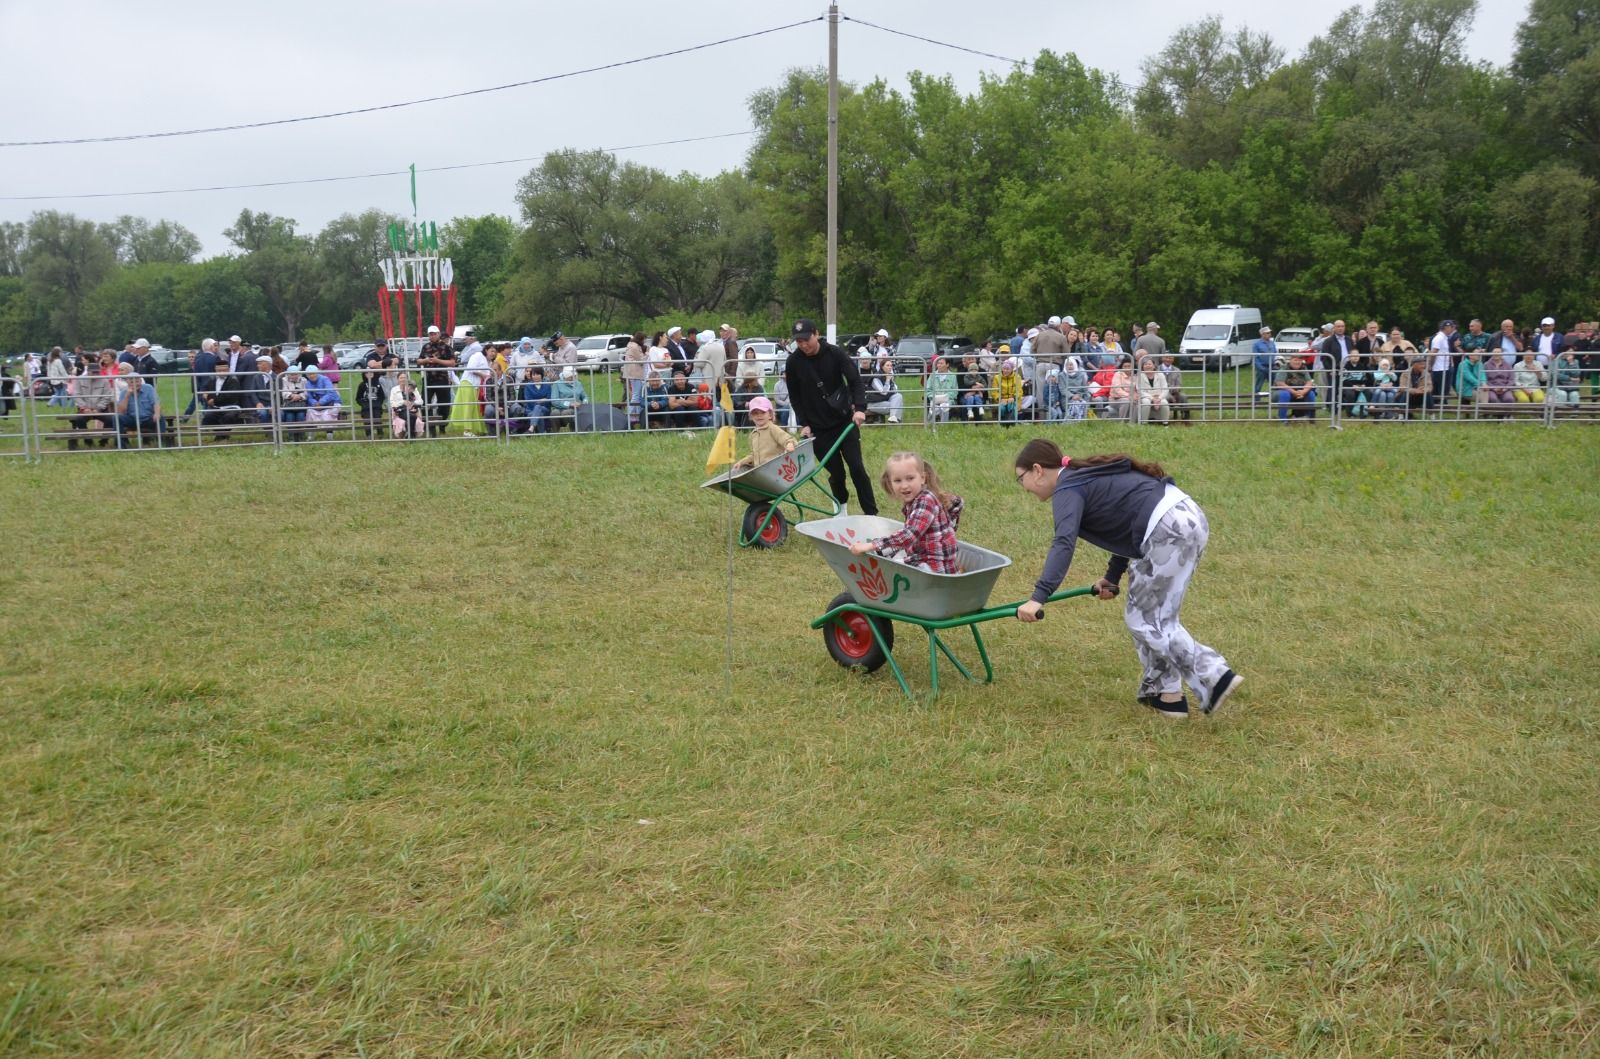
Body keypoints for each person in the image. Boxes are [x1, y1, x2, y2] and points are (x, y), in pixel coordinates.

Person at [1012, 438, 1241, 719]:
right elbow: (1124, 525)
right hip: (1186, 518)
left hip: (1167, 529)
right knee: (1154, 616)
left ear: (1037, 470)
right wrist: (1112, 577)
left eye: (1020, 478)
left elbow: (1063, 542)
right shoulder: (1081, 478)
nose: (1023, 487)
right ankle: (1168, 697)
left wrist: (1038, 598)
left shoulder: (1068, 488)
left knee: (1145, 619)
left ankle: (1214, 675)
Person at [784, 319, 877, 516]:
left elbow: (855, 381)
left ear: (816, 334)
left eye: (806, 339)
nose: (803, 345)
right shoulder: (793, 362)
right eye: (798, 341)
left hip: (844, 422)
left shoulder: (835, 354)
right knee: (836, 473)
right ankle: (841, 509)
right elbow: (795, 397)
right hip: (818, 429)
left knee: (857, 468)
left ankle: (871, 514)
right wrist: (805, 423)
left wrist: (859, 408)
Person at [847, 452, 964, 574]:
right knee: (887, 555)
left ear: (923, 478)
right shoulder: (918, 500)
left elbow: (909, 535)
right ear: (890, 483)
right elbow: (956, 504)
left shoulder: (925, 501)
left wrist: (871, 545)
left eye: (910, 478)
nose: (904, 485)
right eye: (897, 480)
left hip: (932, 567)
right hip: (925, 559)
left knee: (886, 570)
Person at [67, 350, 117, 449]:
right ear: (88, 372)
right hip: (84, 409)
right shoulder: (80, 380)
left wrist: (98, 408)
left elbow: (107, 396)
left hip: (101, 409)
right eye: (93, 372)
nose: (95, 374)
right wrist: (84, 408)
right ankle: (88, 440)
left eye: (96, 372)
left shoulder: (104, 380)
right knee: (79, 420)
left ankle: (104, 440)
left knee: (111, 420)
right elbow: (76, 395)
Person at [732, 395, 795, 470]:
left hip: (777, 469)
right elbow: (754, 455)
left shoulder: (773, 428)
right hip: (762, 471)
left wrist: (790, 444)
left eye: (763, 412)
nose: (759, 415)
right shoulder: (753, 434)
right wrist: (742, 462)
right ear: (751, 416)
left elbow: (786, 438)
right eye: (755, 413)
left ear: (770, 415)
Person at [416, 326, 458, 437]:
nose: (432, 336)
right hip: (429, 379)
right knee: (425, 404)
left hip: (442, 379)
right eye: (430, 334)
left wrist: (437, 360)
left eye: (434, 333)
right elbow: (418, 361)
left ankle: (442, 426)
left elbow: (453, 363)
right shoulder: (426, 347)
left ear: (439, 334)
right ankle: (431, 428)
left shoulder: (446, 347)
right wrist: (425, 360)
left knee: (444, 406)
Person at [113, 363, 166, 448]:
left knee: (160, 417)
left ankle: (162, 444)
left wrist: (156, 413)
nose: (135, 384)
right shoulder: (124, 392)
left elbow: (156, 402)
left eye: (137, 381)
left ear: (141, 381)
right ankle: (121, 445)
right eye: (131, 381)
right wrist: (127, 396)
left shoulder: (148, 388)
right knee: (116, 417)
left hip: (148, 418)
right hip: (132, 420)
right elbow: (121, 411)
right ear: (127, 382)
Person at [1275, 354, 1317, 421]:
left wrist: (1303, 391)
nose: (1297, 362)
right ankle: (1282, 419)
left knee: (1311, 393)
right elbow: (1280, 383)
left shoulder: (1303, 368)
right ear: (1290, 360)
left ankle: (1310, 418)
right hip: (1280, 393)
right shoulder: (1284, 368)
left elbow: (1309, 382)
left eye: (1300, 360)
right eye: (1295, 360)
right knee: (1285, 394)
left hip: (1299, 392)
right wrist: (1294, 392)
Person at [304, 364, 341, 438]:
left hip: (331, 402)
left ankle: (329, 434)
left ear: (317, 373)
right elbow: (309, 397)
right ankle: (311, 434)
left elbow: (330, 393)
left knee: (326, 414)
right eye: (309, 374)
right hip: (317, 404)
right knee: (309, 412)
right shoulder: (308, 383)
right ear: (307, 375)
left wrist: (321, 402)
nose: (311, 376)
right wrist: (314, 403)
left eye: (313, 373)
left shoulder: (325, 379)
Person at [866, 353, 905, 423]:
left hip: (884, 401)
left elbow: (895, 391)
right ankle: (896, 424)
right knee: (896, 406)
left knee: (898, 396)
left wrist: (891, 382)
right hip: (874, 403)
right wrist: (887, 381)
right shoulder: (876, 378)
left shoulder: (889, 376)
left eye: (891, 365)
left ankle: (893, 418)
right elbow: (884, 392)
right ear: (882, 367)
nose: (890, 367)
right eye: (887, 365)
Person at [356, 360, 387, 439]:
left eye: (371, 373)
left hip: (376, 406)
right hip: (366, 407)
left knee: (377, 418)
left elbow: (381, 396)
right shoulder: (362, 385)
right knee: (367, 419)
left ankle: (380, 433)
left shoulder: (377, 384)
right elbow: (358, 398)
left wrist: (378, 403)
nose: (369, 374)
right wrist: (363, 404)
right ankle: (369, 434)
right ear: (364, 374)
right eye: (367, 373)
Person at [390, 373, 426, 438]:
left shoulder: (414, 389)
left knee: (412, 416)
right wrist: (402, 402)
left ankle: (409, 436)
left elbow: (421, 401)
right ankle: (411, 436)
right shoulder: (394, 389)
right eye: (401, 378)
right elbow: (392, 403)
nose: (403, 379)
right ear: (398, 379)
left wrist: (412, 403)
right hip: (400, 410)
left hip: (412, 410)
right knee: (412, 417)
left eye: (404, 378)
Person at [520, 366, 554, 433]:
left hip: (545, 409)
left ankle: (531, 428)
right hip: (530, 409)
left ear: (542, 375)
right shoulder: (528, 386)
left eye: (537, 374)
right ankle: (541, 433)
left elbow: (549, 400)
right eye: (533, 374)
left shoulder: (547, 385)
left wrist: (540, 402)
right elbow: (528, 401)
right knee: (539, 412)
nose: (535, 376)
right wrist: (541, 400)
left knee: (538, 408)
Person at [279, 365, 309, 436]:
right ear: (288, 374)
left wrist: (300, 396)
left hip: (300, 402)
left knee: (301, 416)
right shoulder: (283, 380)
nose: (294, 376)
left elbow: (307, 392)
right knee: (289, 416)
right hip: (289, 403)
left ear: (299, 374)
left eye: (296, 374)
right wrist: (291, 395)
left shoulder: (304, 380)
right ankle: (291, 436)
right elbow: (283, 391)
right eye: (291, 374)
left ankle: (301, 435)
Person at [926, 356, 957, 423]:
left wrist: (945, 397)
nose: (939, 365)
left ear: (947, 365)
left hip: (948, 400)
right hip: (934, 398)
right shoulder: (932, 375)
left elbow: (955, 391)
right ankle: (930, 425)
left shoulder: (953, 376)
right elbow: (928, 390)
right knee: (934, 408)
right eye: (938, 363)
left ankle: (943, 425)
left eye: (941, 363)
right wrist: (933, 397)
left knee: (944, 406)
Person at [957, 354, 988, 420]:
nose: (971, 361)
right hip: (965, 394)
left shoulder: (982, 371)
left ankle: (979, 424)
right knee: (967, 400)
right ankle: (964, 424)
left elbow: (985, 386)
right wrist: (973, 388)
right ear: (965, 361)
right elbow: (961, 387)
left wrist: (973, 392)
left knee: (977, 400)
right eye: (969, 359)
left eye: (973, 359)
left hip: (980, 394)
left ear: (976, 360)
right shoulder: (961, 372)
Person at [1252, 326, 1277, 399]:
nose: (1270, 334)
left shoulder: (1272, 343)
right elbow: (1255, 357)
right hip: (1262, 367)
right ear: (1262, 334)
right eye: (1267, 333)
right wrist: (1260, 368)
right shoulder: (1257, 344)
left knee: (1274, 384)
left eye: (1270, 333)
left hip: (1272, 367)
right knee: (1259, 385)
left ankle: (1274, 399)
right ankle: (1256, 400)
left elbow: (1275, 353)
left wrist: (1276, 363)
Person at [996, 357, 1023, 425]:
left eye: (1008, 369)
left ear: (1012, 369)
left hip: (1013, 399)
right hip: (1002, 399)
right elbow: (994, 392)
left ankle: (1011, 425)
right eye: (1004, 368)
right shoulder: (997, 377)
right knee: (1002, 408)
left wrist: (1013, 398)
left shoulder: (1017, 377)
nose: (1005, 371)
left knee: (1012, 407)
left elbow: (1019, 391)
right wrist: (1000, 399)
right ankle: (1003, 424)